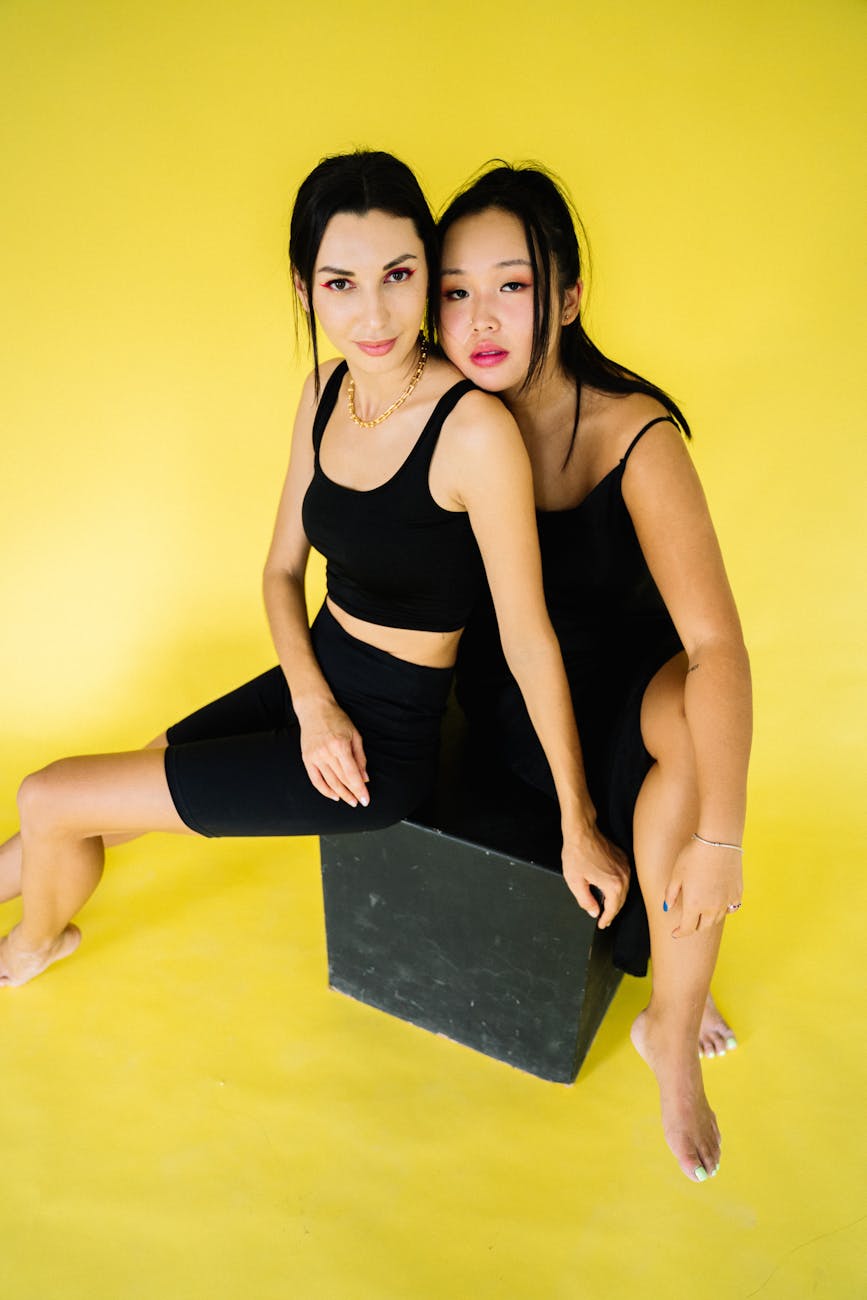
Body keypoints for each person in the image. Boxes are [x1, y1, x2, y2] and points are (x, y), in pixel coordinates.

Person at [0, 151, 628, 996]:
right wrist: (310, 701)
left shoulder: (473, 433)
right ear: (305, 287)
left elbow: (525, 634)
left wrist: (577, 819)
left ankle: (34, 945)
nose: (373, 313)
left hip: (376, 749)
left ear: (426, 273)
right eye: (340, 283)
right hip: (315, 684)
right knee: (96, 818)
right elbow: (279, 572)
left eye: (399, 276)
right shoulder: (325, 391)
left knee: (50, 801)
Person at [436, 165, 752, 1183]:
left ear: (568, 298)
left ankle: (672, 1018)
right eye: (454, 290)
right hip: (525, 707)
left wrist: (723, 843)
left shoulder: (636, 433)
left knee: (697, 752)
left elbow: (715, 649)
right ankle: (678, 987)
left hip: (638, 687)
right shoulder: (447, 419)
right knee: (681, 769)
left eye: (512, 286)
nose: (481, 317)